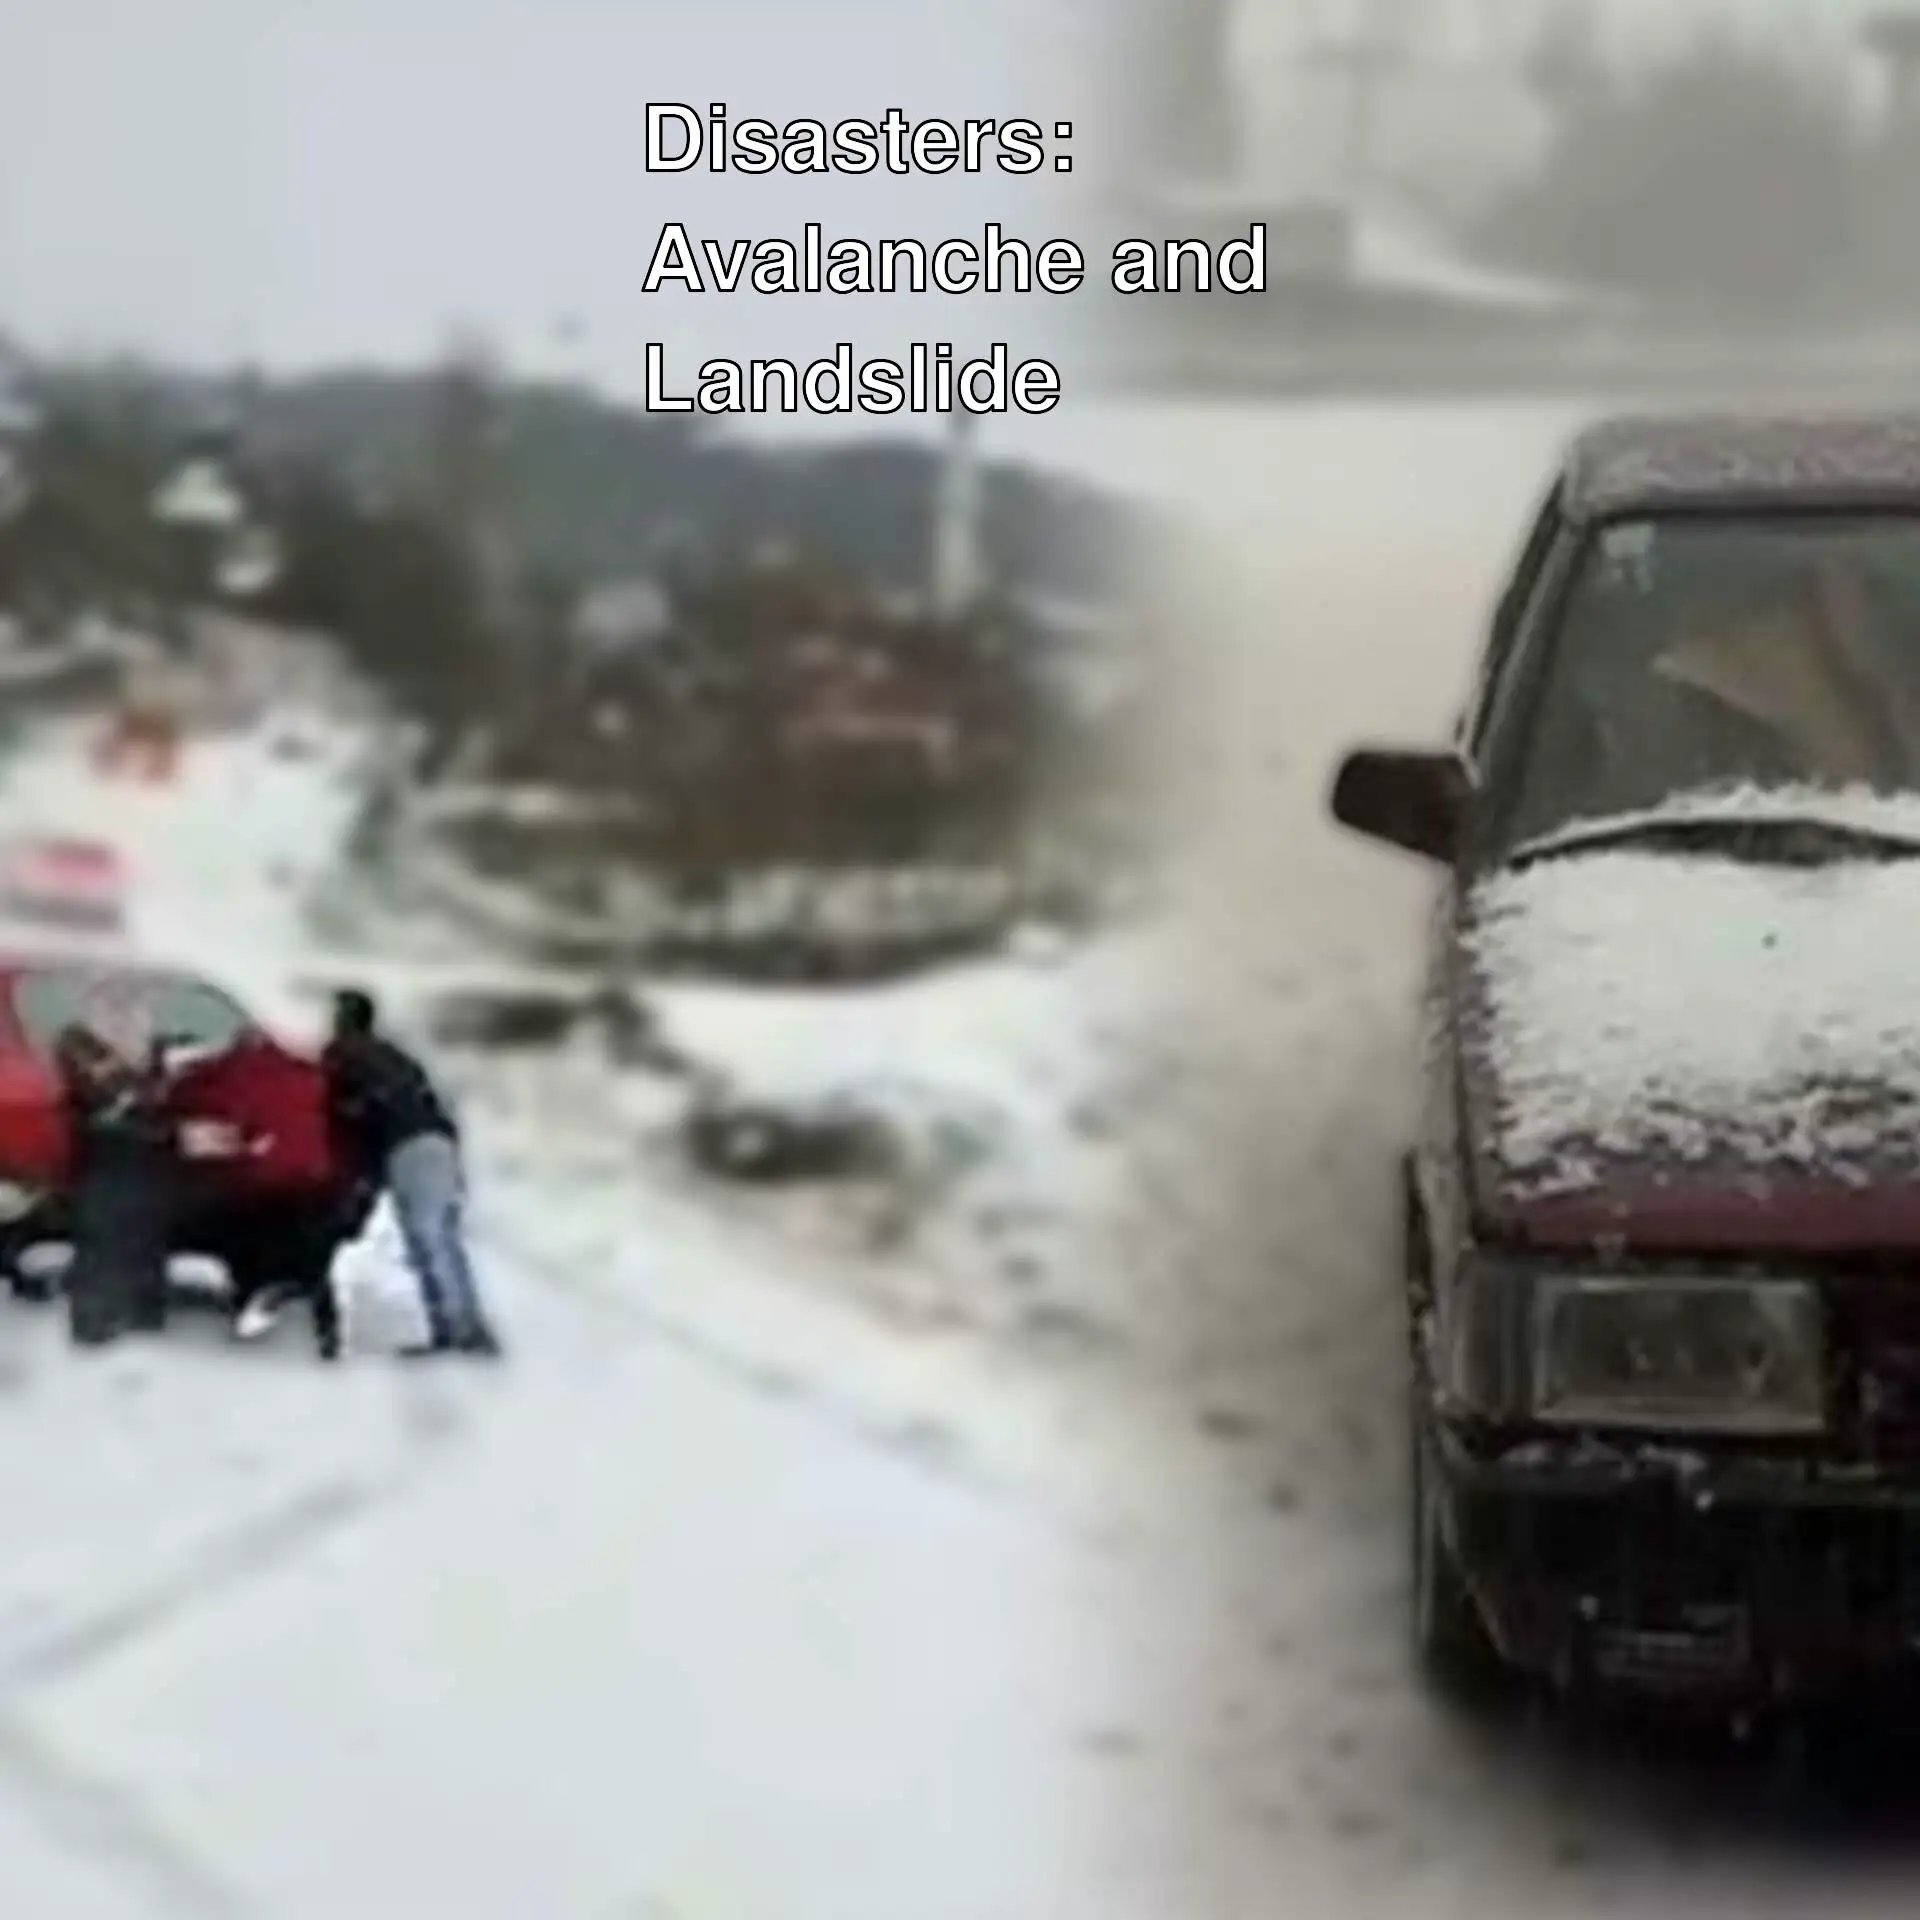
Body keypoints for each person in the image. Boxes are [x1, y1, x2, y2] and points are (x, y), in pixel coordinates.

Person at [323, 988, 499, 1359]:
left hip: (408, 1147)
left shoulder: (344, 1056)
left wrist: (355, 1184)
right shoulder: (395, 1056)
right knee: (442, 1238)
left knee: (428, 1239)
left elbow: (351, 1119)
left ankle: (459, 1334)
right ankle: (464, 1326)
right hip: (439, 1140)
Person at [54, 993, 178, 1347]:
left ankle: (139, 1309)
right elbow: (105, 1097)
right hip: (106, 1151)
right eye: (117, 1009)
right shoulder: (79, 1045)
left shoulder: (145, 1053)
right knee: (109, 1228)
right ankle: (99, 1316)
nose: (128, 1019)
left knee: (139, 1223)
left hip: (136, 1152)